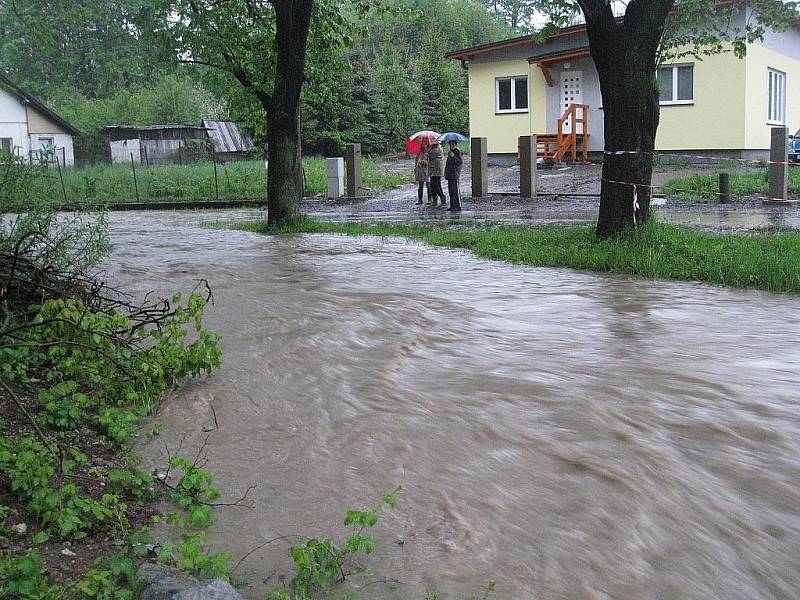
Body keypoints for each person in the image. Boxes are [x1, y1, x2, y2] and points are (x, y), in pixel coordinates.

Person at [427, 141, 447, 207]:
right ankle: (435, 200)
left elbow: (431, 155)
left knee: (437, 185)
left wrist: (428, 149)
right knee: (433, 185)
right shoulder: (433, 148)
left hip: (437, 170)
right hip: (433, 170)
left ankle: (442, 199)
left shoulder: (437, 149)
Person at [445, 140, 463, 211]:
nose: (451, 146)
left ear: (455, 145)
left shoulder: (457, 151)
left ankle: (457, 206)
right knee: (451, 190)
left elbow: (459, 162)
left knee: (455, 190)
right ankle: (452, 205)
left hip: (454, 174)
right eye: (450, 145)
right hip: (450, 174)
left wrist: (453, 157)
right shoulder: (450, 152)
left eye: (452, 145)